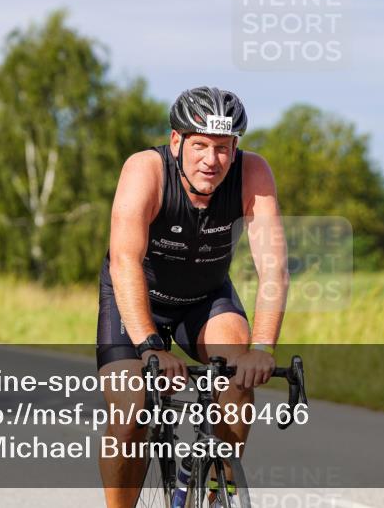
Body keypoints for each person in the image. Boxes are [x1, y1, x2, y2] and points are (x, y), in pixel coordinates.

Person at [97, 86, 288, 507]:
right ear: (176, 141)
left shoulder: (253, 173)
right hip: (135, 298)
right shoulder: (145, 170)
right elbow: (125, 261)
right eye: (200, 144)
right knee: (131, 415)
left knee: (239, 368)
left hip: (204, 298)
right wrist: (149, 346)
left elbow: (273, 267)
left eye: (222, 147)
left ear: (235, 148)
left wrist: (262, 346)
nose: (211, 159)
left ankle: (217, 483)